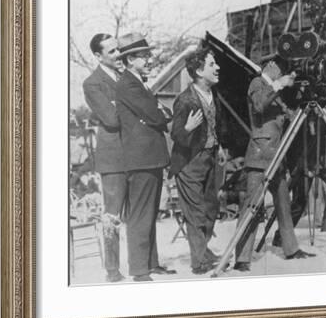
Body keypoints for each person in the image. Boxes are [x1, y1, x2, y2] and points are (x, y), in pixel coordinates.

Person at [234, 56, 316, 273]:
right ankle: (241, 258)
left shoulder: (274, 90)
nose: (282, 73)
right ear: (269, 66)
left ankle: (291, 249)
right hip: (261, 156)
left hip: (278, 155)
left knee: (283, 204)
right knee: (252, 206)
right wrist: (280, 85)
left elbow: (288, 116)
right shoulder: (258, 84)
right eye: (280, 68)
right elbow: (260, 106)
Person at [115, 32, 176, 282]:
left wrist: (160, 113)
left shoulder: (137, 82)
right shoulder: (129, 84)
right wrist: (160, 114)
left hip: (149, 158)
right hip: (141, 160)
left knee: (149, 212)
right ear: (130, 60)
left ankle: (151, 263)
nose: (149, 58)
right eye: (143, 55)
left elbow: (159, 112)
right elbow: (156, 114)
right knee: (141, 214)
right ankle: (140, 270)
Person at [169, 47, 227, 275]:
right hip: (189, 163)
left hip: (210, 158)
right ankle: (199, 262)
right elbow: (176, 135)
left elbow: (215, 125)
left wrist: (219, 145)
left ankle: (204, 250)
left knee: (211, 209)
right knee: (196, 214)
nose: (218, 68)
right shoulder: (185, 100)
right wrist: (187, 127)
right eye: (212, 65)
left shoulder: (214, 95)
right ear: (199, 71)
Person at [82, 33, 126, 283]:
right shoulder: (92, 83)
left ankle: (146, 265)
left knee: (141, 212)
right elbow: (111, 119)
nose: (119, 54)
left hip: (134, 154)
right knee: (112, 216)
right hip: (112, 159)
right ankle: (112, 270)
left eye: (118, 49)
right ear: (98, 56)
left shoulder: (126, 77)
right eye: (112, 51)